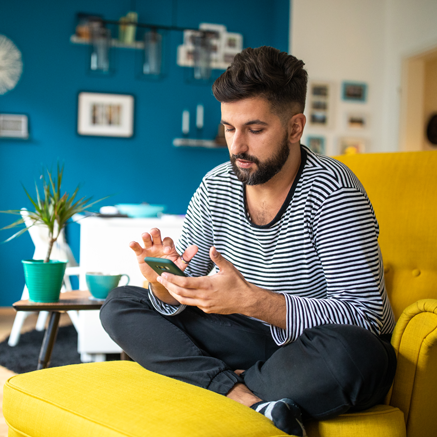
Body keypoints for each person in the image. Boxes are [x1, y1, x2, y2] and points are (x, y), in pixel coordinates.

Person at [100, 46, 396, 436]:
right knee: (121, 304)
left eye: (255, 130)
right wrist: (164, 282)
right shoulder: (215, 185)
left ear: (294, 127)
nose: (237, 146)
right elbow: (184, 294)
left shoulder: (333, 191)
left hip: (305, 348)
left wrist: (252, 300)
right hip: (238, 337)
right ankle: (247, 398)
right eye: (228, 128)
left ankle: (211, 382)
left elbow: (368, 317)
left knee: (357, 358)